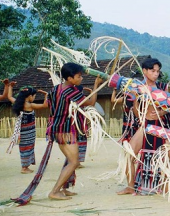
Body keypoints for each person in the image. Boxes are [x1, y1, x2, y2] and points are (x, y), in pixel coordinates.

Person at [118, 58, 170, 195]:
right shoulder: (136, 87)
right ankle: (130, 186)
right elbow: (134, 110)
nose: (156, 74)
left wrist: (161, 112)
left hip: (163, 125)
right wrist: (142, 114)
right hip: (145, 125)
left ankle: (166, 185)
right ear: (145, 71)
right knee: (128, 153)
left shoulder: (164, 88)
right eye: (153, 71)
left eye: (158, 71)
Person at [47, 63, 102, 200]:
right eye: (79, 76)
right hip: (64, 129)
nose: (81, 78)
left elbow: (50, 104)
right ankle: (55, 191)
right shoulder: (70, 91)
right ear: (70, 78)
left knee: (70, 160)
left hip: (56, 127)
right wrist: (96, 86)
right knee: (74, 162)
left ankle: (64, 188)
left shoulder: (56, 89)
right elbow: (91, 103)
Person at [7, 84, 48, 173]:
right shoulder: (30, 105)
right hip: (28, 132)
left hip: (22, 131)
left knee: (24, 148)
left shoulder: (17, 103)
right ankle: (24, 168)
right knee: (28, 148)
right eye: (34, 96)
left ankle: (25, 166)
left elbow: (9, 96)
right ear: (29, 96)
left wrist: (9, 86)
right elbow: (45, 105)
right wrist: (46, 95)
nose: (34, 98)